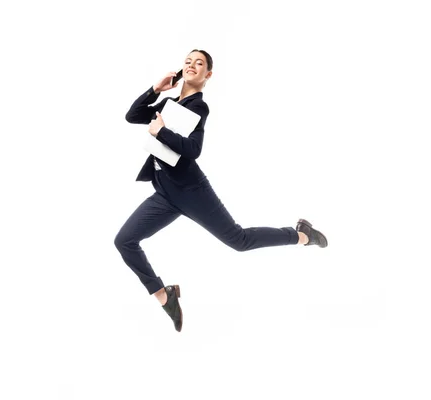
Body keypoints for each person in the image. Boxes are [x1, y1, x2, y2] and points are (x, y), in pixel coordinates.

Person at [114, 49, 328, 332]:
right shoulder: (167, 103)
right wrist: (156, 88)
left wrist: (161, 132)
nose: (191, 66)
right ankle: (166, 297)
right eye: (187, 62)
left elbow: (193, 150)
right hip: (165, 193)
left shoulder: (198, 107)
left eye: (198, 63)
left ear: (207, 75)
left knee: (238, 241)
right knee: (125, 241)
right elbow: (133, 115)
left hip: (192, 192)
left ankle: (302, 235)